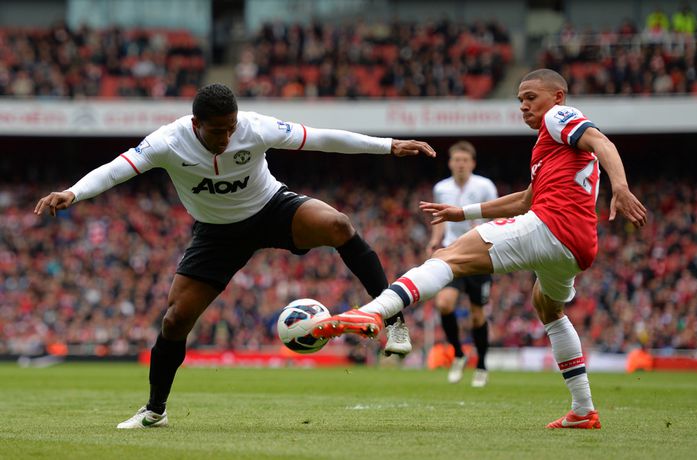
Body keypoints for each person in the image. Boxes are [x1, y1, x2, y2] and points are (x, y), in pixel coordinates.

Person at [34, 83, 434, 429]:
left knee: (338, 225)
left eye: (231, 128)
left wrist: (388, 146)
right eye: (218, 131)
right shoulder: (168, 141)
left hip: (270, 208)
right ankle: (155, 411)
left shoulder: (254, 127)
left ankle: (393, 319)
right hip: (217, 234)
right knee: (175, 320)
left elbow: (321, 138)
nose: (227, 137)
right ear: (196, 124)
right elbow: (116, 169)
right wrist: (73, 192)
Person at [312, 69, 648, 429]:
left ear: (557, 97)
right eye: (520, 100)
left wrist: (621, 187)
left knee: (447, 256)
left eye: (531, 97)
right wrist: (462, 213)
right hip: (578, 245)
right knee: (547, 307)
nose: (523, 106)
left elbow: (602, 141)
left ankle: (373, 313)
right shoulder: (553, 148)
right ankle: (583, 409)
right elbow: (525, 200)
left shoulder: (558, 117)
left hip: (551, 225)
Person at [427, 141, 497, 386]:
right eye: (456, 160)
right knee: (444, 304)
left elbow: (494, 214)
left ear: (472, 163)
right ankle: (458, 353)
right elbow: (440, 219)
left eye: (465, 160)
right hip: (453, 253)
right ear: (450, 163)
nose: (460, 164)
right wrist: (434, 241)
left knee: (477, 316)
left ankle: (482, 365)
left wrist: (483, 230)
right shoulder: (441, 188)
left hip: (479, 254)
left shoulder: (485, 186)